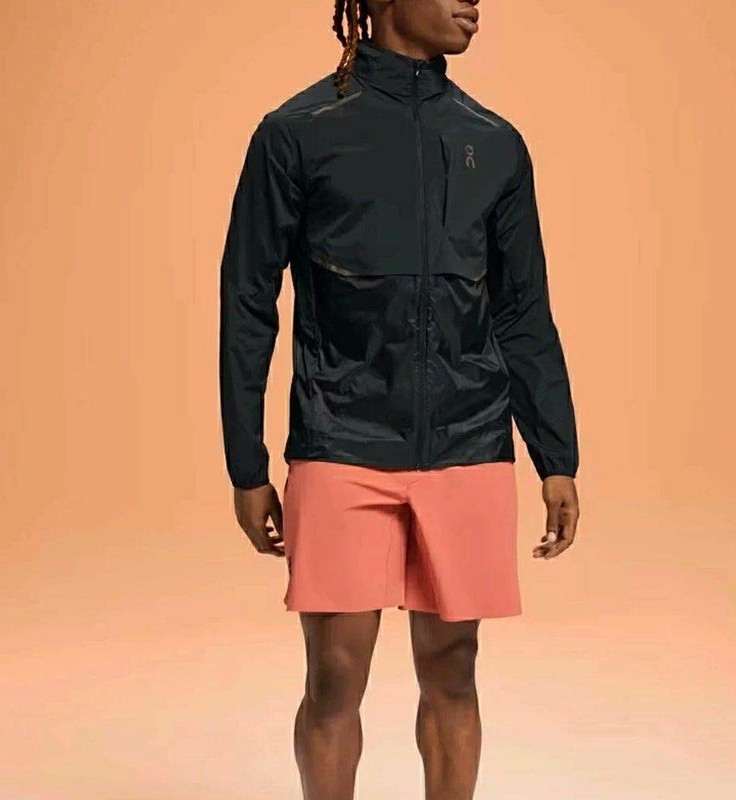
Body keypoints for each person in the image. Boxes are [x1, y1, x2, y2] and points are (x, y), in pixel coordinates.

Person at [218, 0, 581, 796]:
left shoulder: (495, 142)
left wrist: (556, 453)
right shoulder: (296, 134)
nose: (473, 2)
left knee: (454, 669)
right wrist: (247, 464)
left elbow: (522, 310)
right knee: (333, 676)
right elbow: (248, 301)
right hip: (340, 440)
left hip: (469, 441)